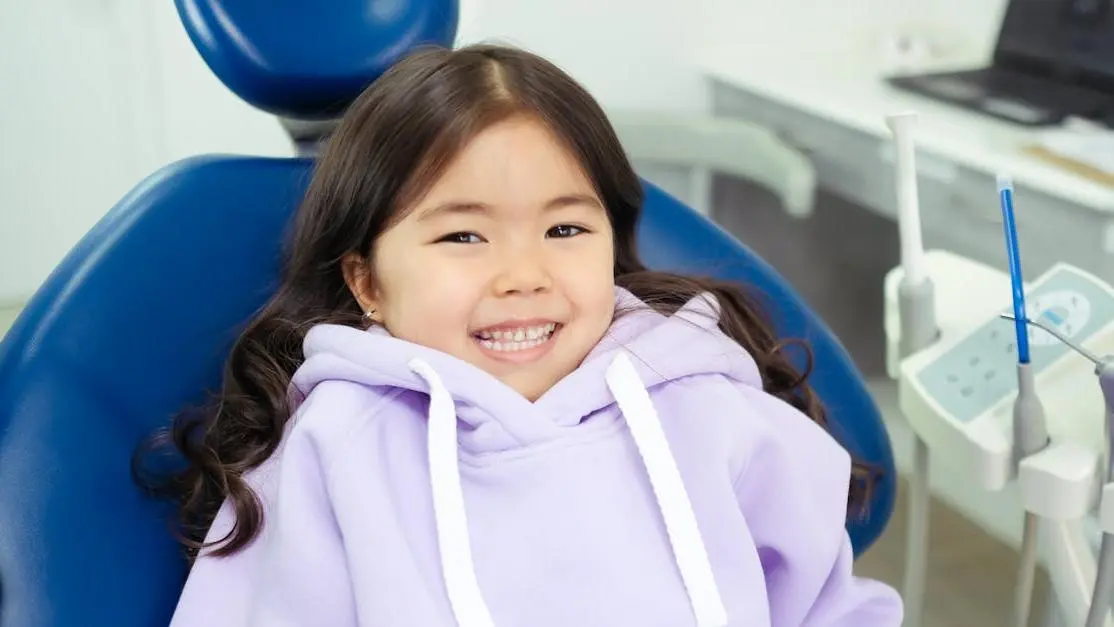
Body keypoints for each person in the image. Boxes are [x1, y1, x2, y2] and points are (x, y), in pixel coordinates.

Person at [137, 43, 903, 626]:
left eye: (565, 226)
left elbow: (827, 606)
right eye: (464, 238)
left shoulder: (704, 405)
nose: (523, 274)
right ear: (367, 282)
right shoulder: (333, 449)